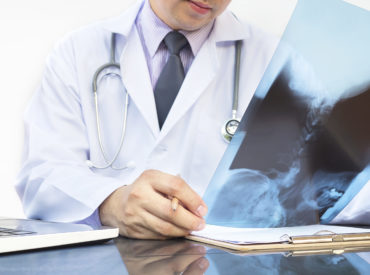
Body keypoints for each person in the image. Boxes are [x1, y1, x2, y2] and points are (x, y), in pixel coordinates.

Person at [16, 0, 278, 239]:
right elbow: (42, 176)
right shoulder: (77, 52)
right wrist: (109, 203)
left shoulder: (274, 58)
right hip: (104, 262)